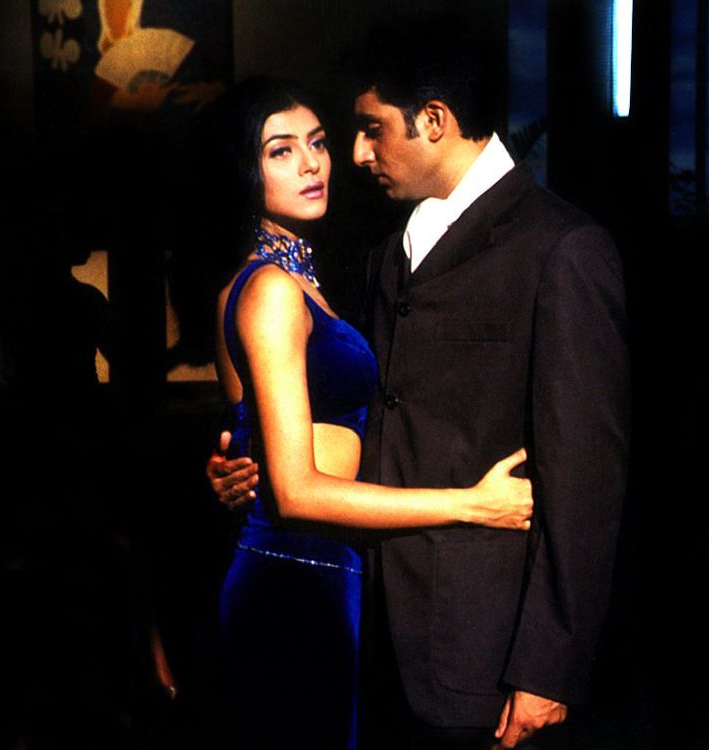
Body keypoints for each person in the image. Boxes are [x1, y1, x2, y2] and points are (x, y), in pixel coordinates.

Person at [208, 13, 630, 750]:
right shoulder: (381, 249)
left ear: (433, 120)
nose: (354, 154)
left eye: (370, 130)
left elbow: (588, 478)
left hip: (483, 650)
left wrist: (550, 667)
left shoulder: (561, 248)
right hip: (363, 620)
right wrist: (248, 464)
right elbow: (357, 408)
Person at [201, 76, 534, 750]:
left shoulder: (302, 283)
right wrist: (472, 505)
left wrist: (233, 469)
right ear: (244, 170)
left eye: (317, 143)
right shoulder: (269, 291)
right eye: (281, 150)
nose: (312, 164)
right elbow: (295, 492)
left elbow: (250, 439)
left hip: (322, 574)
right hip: (294, 580)